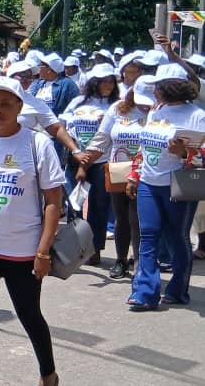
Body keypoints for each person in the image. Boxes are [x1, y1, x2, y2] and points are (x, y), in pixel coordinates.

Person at [0, 76, 64, 386]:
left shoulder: (37, 144)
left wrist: (43, 252)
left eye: (6, 104)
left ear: (20, 106)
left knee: (29, 315)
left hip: (22, 250)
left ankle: (48, 374)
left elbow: (53, 202)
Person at [127, 63, 205, 311]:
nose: (154, 91)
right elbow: (143, 148)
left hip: (178, 184)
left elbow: (202, 156)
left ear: (172, 87)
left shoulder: (197, 116)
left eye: (158, 86)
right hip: (149, 183)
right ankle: (144, 293)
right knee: (148, 234)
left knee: (177, 237)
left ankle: (177, 290)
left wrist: (184, 153)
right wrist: (134, 175)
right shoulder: (156, 111)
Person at [81, 77, 154, 279]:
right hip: (118, 171)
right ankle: (121, 260)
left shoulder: (158, 112)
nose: (145, 105)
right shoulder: (117, 109)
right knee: (121, 218)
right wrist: (84, 163)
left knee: (137, 219)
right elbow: (102, 138)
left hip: (145, 173)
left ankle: (140, 262)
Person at [62, 63, 119, 266]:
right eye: (104, 81)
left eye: (111, 82)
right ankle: (74, 248)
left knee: (99, 206)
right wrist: (75, 150)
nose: (108, 85)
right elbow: (62, 126)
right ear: (94, 82)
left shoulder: (115, 106)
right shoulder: (77, 102)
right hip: (75, 159)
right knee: (74, 204)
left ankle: (95, 249)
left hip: (100, 162)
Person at [30, 53, 80, 117]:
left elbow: (77, 106)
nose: (38, 68)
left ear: (49, 69)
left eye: (41, 65)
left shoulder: (68, 85)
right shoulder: (40, 84)